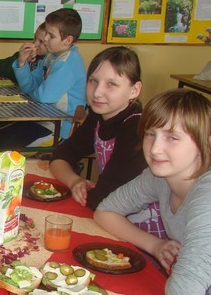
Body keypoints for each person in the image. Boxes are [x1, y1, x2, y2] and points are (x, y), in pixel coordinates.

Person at [94, 89, 211, 295]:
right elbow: (105, 211)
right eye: (150, 134)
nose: (155, 148)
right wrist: (156, 246)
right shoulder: (160, 176)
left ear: (205, 144)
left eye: (172, 137)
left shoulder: (206, 197)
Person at [49, 47, 153, 212]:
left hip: (140, 219)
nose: (97, 93)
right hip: (110, 210)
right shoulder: (98, 115)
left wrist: (87, 193)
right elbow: (60, 155)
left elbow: (105, 197)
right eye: (93, 81)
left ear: (134, 90)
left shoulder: (136, 129)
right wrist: (75, 181)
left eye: (111, 84)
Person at [12, 8, 87, 144]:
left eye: (51, 36)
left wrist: (33, 91)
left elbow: (43, 97)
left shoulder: (68, 63)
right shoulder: (51, 56)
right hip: (44, 120)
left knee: (5, 145)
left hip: (59, 130)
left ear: (68, 40)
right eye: (46, 33)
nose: (45, 38)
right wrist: (22, 63)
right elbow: (29, 85)